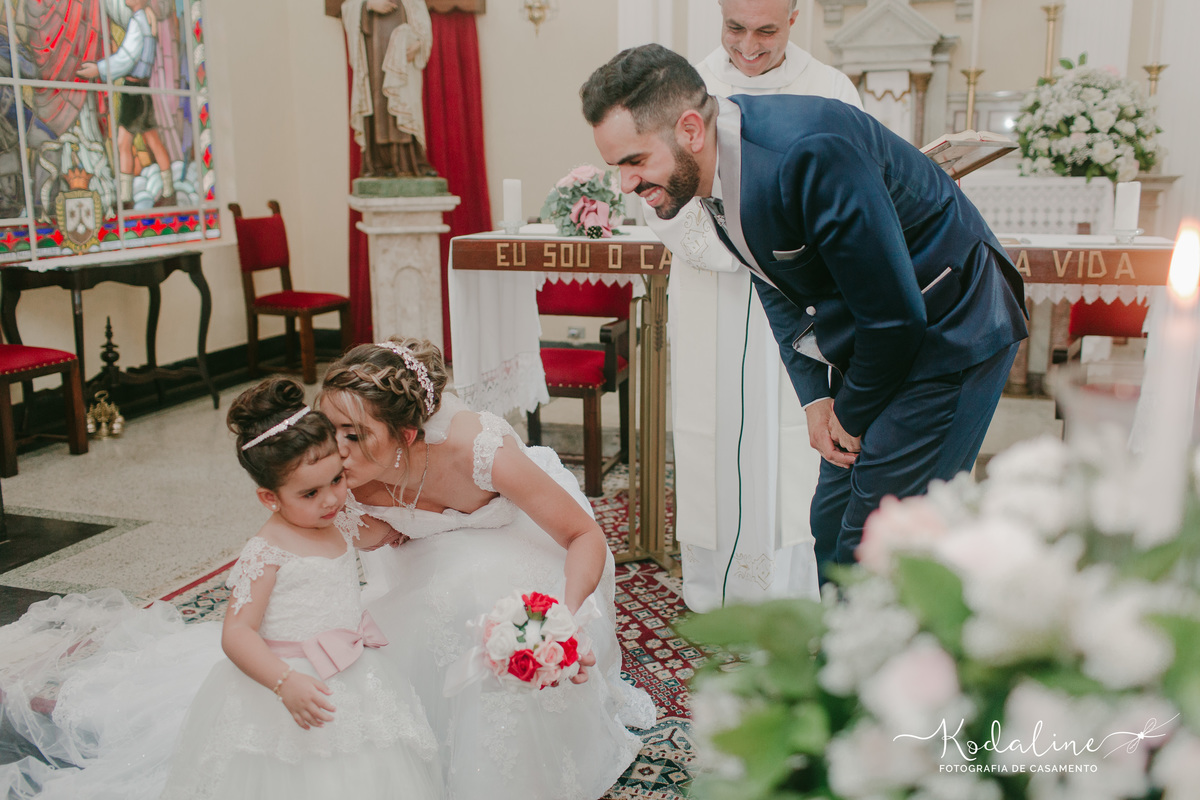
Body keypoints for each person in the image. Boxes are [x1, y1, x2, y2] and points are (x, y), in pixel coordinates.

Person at [581, 44, 1028, 581]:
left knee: (878, 543)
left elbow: (895, 318)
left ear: (691, 130)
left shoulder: (807, 154)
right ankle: (842, 653)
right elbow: (773, 279)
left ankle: (900, 657)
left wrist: (850, 416)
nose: (626, 184)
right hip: (888, 336)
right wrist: (816, 397)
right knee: (830, 520)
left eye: (635, 161)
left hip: (954, 323)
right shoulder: (715, 163)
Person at [0, 377, 444, 800]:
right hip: (288, 682)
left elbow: (381, 532)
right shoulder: (267, 552)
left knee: (366, 765)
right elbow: (236, 634)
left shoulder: (339, 518)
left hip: (354, 675)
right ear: (269, 498)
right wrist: (284, 682)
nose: (330, 499)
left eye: (337, 480)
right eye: (309, 494)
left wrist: (426, 527)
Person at [319, 338, 656, 800]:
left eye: (355, 435)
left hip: (521, 531)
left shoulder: (479, 451)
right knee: (413, 635)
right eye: (329, 428)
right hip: (434, 557)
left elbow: (583, 536)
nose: (335, 449)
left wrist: (567, 621)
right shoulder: (338, 482)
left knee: (488, 610)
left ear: (408, 436)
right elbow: (353, 546)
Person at [645, 0, 862, 612]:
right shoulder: (682, 86)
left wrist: (787, 248)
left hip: (798, 298)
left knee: (793, 436)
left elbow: (853, 194)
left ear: (795, 17)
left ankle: (793, 589)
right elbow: (656, 192)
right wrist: (739, 245)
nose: (748, 45)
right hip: (710, 291)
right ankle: (717, 586)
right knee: (710, 426)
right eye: (735, 28)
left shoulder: (829, 89)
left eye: (765, 30)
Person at [77, 0, 174, 205]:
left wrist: (99, 69)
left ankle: (125, 198)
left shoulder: (138, 22)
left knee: (123, 143)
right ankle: (168, 191)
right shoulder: (146, 22)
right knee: (153, 140)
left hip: (133, 91)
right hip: (143, 90)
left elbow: (126, 58)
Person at [342, 0, 437, 177]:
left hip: (403, 54)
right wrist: (367, 6)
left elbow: (420, 15)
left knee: (404, 100)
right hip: (372, 49)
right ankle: (379, 164)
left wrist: (419, 44)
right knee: (377, 102)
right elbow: (348, 7)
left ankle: (411, 162)